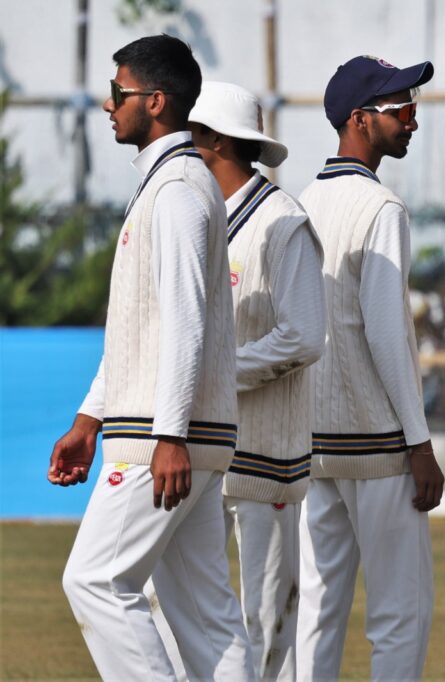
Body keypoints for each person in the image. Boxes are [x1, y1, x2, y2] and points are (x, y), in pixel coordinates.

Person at [49, 35, 254, 680]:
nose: (108, 107)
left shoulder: (177, 188)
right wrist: (88, 421)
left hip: (159, 440)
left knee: (96, 582)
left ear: (156, 102)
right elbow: (139, 325)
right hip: (175, 432)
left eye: (119, 94)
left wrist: (170, 436)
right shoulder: (169, 182)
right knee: (204, 613)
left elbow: (186, 318)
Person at [295, 55, 445, 682]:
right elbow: (387, 332)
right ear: (360, 120)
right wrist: (419, 443)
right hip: (378, 441)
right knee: (399, 613)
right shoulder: (381, 207)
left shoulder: (301, 198)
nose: (413, 121)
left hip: (314, 442)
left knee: (318, 609)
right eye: (401, 110)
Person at [169, 80, 323, 681]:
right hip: (202, 449)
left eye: (190, 136)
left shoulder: (282, 222)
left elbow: (304, 336)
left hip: (265, 454)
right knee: (186, 610)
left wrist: (212, 375)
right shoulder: (199, 216)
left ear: (211, 141)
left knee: (264, 623)